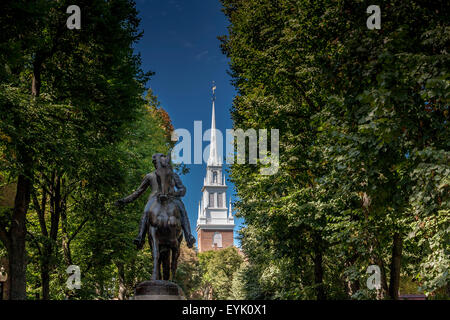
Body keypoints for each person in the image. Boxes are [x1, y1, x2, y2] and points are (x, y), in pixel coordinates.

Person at [115, 153, 196, 249]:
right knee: (146, 212)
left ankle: (189, 236)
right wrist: (124, 201)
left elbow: (182, 189)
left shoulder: (172, 174)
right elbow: (138, 191)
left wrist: (174, 194)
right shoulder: (149, 176)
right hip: (154, 199)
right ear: (155, 163)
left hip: (172, 198)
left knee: (182, 210)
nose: (160, 164)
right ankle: (140, 237)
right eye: (158, 162)